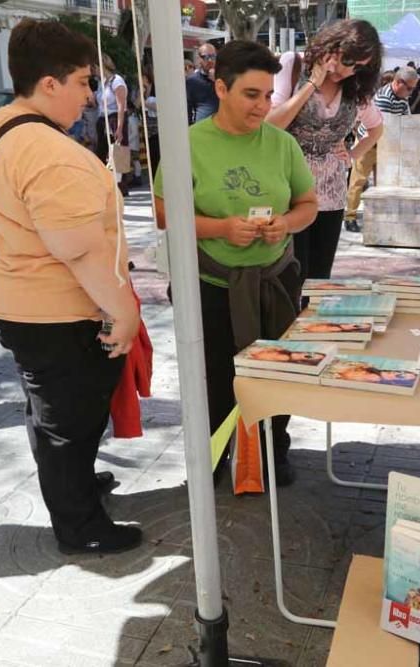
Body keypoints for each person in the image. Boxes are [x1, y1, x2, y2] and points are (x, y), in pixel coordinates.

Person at [0, 19, 142, 555]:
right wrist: (124, 310)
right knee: (70, 420)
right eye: (85, 82)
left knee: (53, 413)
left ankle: (78, 488)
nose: (91, 95)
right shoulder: (51, 152)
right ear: (50, 84)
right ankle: (80, 525)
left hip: (18, 297)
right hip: (54, 309)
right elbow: (79, 251)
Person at [153, 40, 317, 486]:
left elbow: (308, 205)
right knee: (214, 377)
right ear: (220, 88)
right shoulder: (188, 144)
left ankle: (272, 450)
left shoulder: (282, 145)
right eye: (251, 95)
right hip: (211, 282)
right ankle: (211, 455)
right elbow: (165, 212)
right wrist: (221, 228)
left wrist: (285, 223)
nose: (263, 106)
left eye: (268, 96)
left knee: (276, 369)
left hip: (275, 281)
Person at [267, 19, 383, 285]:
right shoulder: (294, 65)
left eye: (358, 66)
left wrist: (352, 155)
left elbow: (376, 129)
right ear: (333, 44)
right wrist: (311, 84)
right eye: (346, 60)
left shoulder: (356, 88)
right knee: (289, 277)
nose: (347, 70)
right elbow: (271, 125)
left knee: (318, 281)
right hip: (289, 189)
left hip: (331, 193)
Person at [343, 67, 416, 233]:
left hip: (386, 146)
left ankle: (379, 217)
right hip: (368, 143)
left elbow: (407, 120)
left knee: (382, 183)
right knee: (358, 181)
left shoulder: (402, 98)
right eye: (409, 88)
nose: (411, 93)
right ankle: (350, 217)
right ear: (398, 83)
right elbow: (382, 128)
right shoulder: (383, 98)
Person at [186, 42, 218, 123]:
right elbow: (187, 110)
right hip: (202, 129)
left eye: (213, 56)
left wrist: (216, 81)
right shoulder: (192, 81)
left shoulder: (225, 78)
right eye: (206, 57)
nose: (210, 60)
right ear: (199, 59)